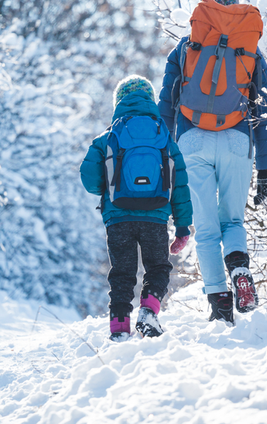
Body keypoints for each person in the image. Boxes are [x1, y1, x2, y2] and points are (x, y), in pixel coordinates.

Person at [157, 0, 267, 326]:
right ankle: (240, 270)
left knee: (206, 230)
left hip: (192, 140)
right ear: (235, 3)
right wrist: (265, 167)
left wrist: (165, 159)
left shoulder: (185, 46)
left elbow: (166, 103)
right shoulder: (250, 48)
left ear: (205, 3)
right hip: (238, 139)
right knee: (233, 220)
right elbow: (264, 109)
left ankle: (221, 307)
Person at [80, 75, 193, 341]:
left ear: (118, 101)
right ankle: (148, 310)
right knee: (158, 267)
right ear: (150, 100)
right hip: (156, 216)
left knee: (121, 273)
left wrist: (107, 187)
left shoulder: (108, 137)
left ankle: (119, 327)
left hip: (118, 216)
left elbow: (88, 177)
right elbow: (180, 185)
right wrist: (183, 226)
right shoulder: (163, 136)